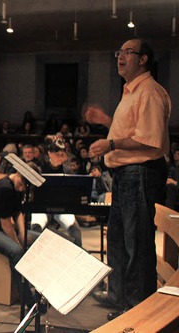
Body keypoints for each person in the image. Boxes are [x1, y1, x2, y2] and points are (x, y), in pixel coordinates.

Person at [86, 39, 170, 320]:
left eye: (127, 52)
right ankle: (119, 296)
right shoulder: (131, 92)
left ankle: (136, 307)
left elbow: (152, 141)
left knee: (137, 244)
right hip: (125, 175)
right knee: (119, 240)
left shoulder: (150, 92)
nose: (120, 57)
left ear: (143, 58)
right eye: (118, 52)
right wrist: (107, 120)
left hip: (141, 174)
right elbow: (133, 130)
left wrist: (111, 145)